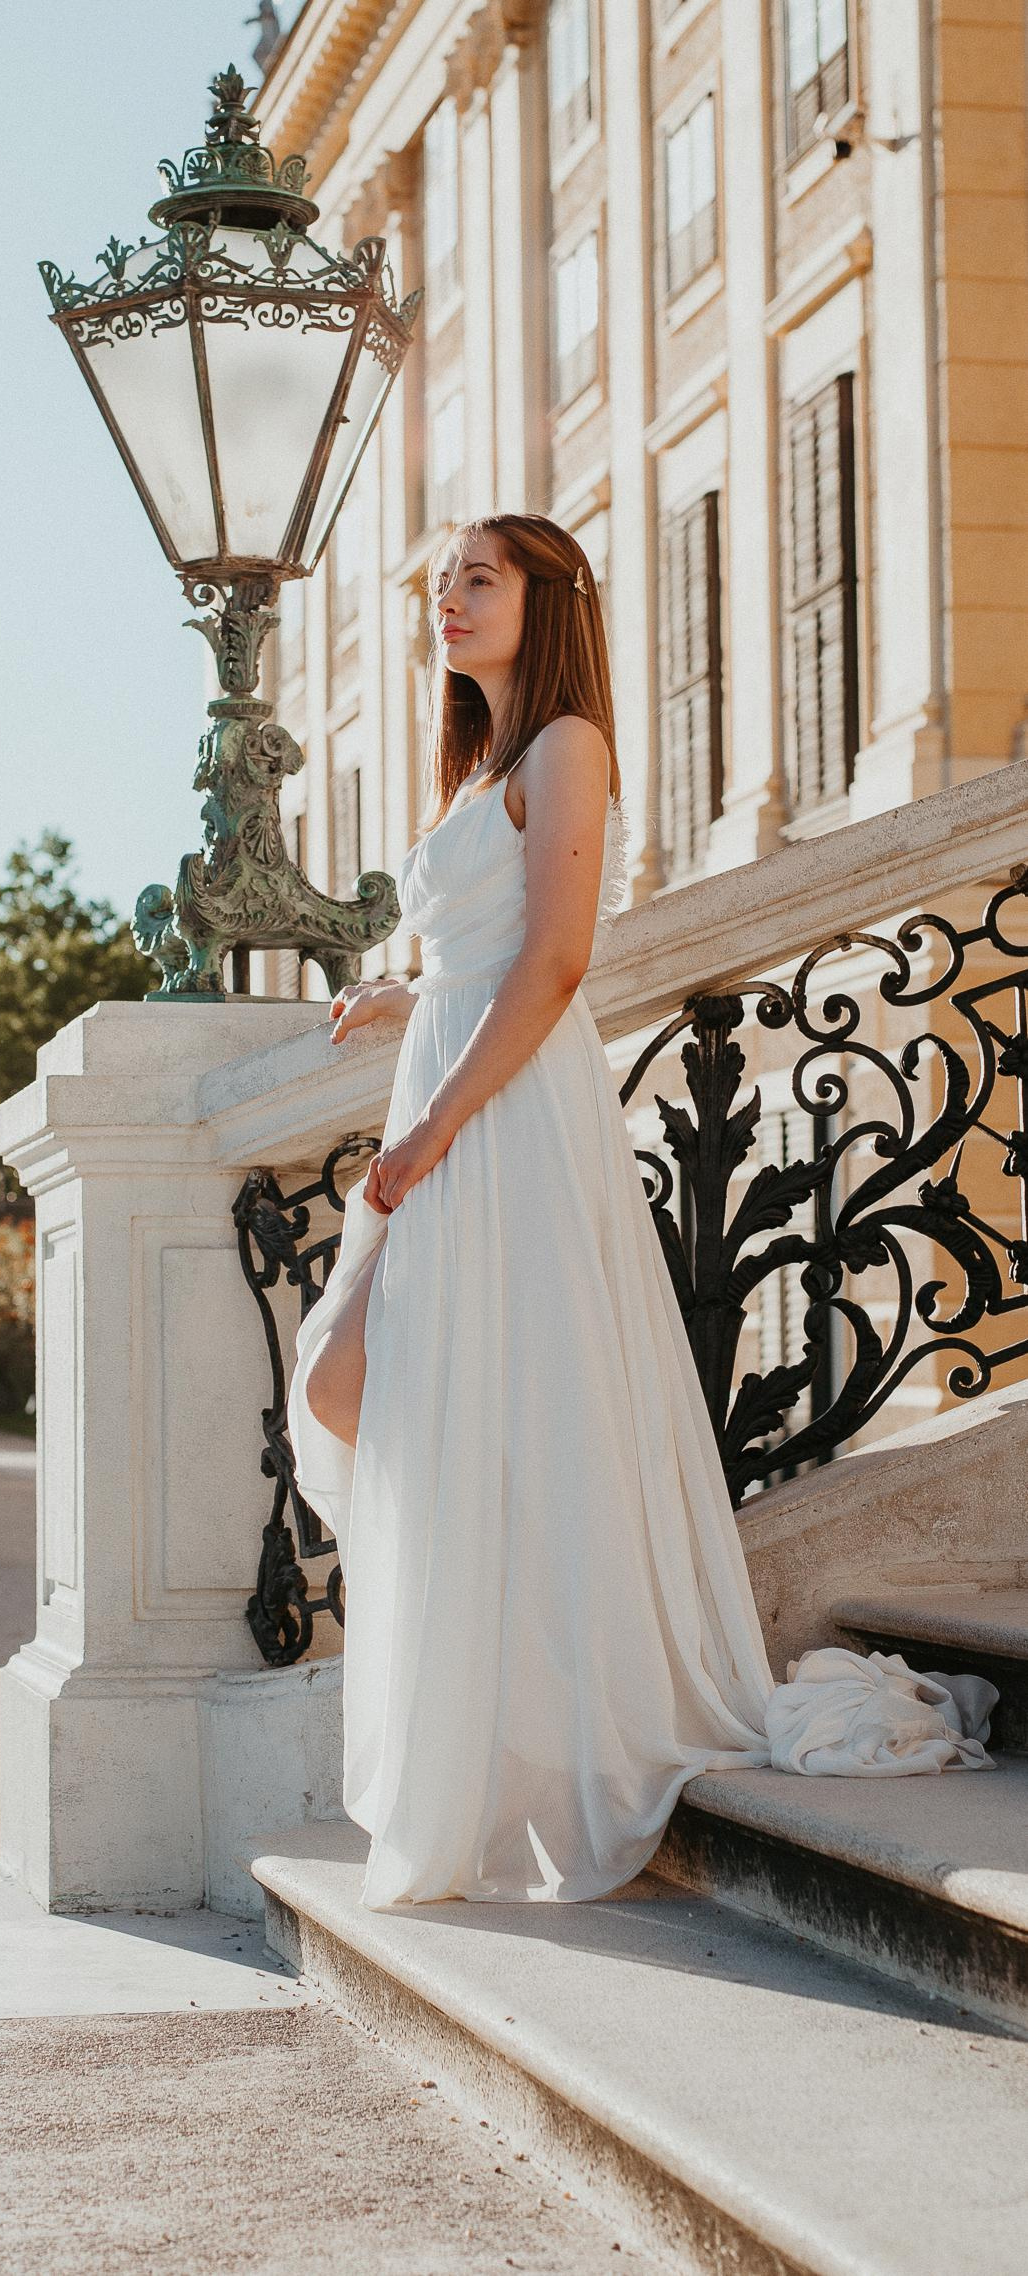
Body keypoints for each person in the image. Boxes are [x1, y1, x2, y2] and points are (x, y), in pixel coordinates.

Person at [287, 512, 996, 1913]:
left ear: (546, 599)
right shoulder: (488, 760)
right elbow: (479, 951)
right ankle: (506, 1717)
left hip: (501, 1122)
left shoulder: (567, 746)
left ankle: (548, 1721)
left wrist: (433, 1122)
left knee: (416, 1391)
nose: (449, 603)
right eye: (440, 586)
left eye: (476, 581)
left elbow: (552, 966)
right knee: (363, 1389)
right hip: (449, 1095)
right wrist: (401, 1004)